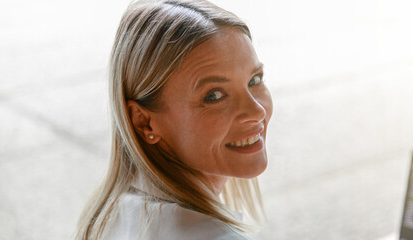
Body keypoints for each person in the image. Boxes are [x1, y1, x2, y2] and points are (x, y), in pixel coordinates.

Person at [76, 0, 272, 239]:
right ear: (143, 122)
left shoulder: (111, 216)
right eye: (214, 95)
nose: (256, 112)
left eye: (255, 80)